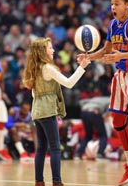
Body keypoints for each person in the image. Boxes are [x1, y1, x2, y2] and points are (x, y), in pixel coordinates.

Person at [78, 0, 128, 186]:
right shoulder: (113, 24)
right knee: (118, 121)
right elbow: (106, 50)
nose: (113, 7)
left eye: (117, 3)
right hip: (121, 76)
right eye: (112, 4)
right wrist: (88, 56)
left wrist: (119, 56)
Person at [22, 37, 90, 186]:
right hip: (47, 111)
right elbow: (69, 83)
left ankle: (39, 181)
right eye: (50, 48)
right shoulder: (47, 68)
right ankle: (57, 182)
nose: (53, 50)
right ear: (42, 51)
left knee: (40, 148)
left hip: (37, 111)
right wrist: (82, 67)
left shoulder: (35, 68)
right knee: (55, 147)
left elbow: (34, 94)